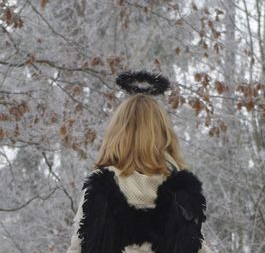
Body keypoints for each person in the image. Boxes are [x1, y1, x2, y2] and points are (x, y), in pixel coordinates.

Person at [67, 93, 211, 253]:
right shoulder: (182, 192)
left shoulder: (100, 189)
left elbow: (78, 248)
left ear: (117, 135)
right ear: (164, 134)